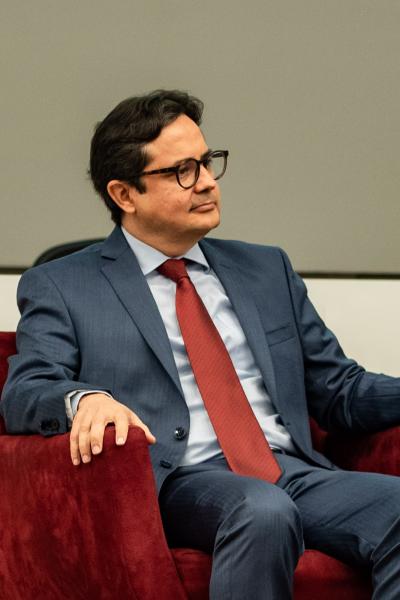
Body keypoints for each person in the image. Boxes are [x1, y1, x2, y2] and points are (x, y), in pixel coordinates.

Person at [1, 89, 400, 599]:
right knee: (263, 511)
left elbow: (340, 389)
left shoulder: (266, 269)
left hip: (289, 470)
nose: (208, 181)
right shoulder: (64, 285)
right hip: (177, 479)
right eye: (182, 171)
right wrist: (85, 399)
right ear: (125, 194)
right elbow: (26, 389)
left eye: (207, 162)